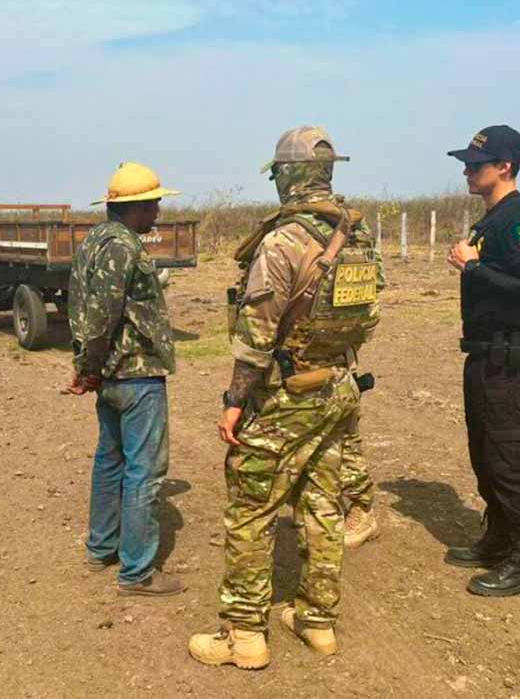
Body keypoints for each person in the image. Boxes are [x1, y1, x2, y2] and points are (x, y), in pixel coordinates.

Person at [189, 126, 382, 670]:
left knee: (251, 508)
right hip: (338, 387)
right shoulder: (357, 237)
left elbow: (255, 337)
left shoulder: (282, 242)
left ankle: (244, 635)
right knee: (323, 505)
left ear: (285, 176)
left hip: (286, 396)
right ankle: (317, 621)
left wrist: (234, 399)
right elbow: (369, 317)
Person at [67, 162, 184, 597]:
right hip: (134, 375)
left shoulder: (96, 241)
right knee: (144, 472)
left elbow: (82, 309)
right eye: (153, 203)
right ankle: (136, 572)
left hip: (112, 378)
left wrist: (87, 366)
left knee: (110, 459)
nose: (158, 210)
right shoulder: (122, 248)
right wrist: (89, 367)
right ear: (134, 207)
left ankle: (102, 548)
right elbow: (101, 314)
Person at [444, 124, 520, 597]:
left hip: (511, 359)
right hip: (485, 355)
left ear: (504, 167)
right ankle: (498, 538)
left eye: (475, 164)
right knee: (485, 454)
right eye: (466, 163)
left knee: (511, 457)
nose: (467, 171)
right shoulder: (489, 218)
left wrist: (474, 266)